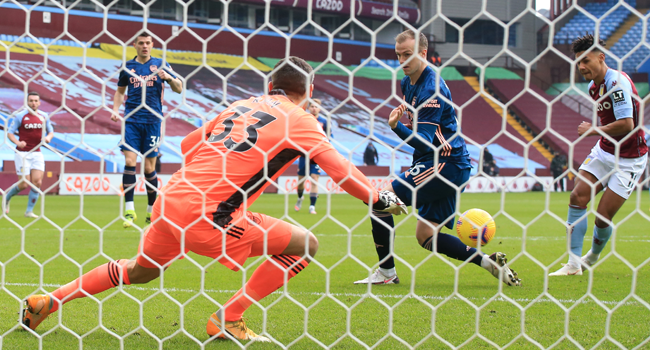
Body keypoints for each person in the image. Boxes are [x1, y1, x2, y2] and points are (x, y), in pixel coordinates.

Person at [22, 56, 406, 340]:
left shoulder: (239, 106)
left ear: (271, 84)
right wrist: (378, 198)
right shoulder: (300, 118)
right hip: (212, 216)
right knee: (305, 246)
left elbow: (189, 144)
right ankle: (230, 316)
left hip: (170, 202)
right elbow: (341, 171)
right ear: (306, 91)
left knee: (141, 270)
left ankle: (48, 301)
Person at [353, 30, 520, 286]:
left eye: (408, 55)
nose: (402, 61)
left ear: (423, 53)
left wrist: (396, 127)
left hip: (445, 163)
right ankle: (488, 263)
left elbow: (424, 141)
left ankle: (386, 273)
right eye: (398, 56)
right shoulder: (407, 82)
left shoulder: (431, 88)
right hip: (449, 164)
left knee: (379, 201)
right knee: (426, 236)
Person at [550, 34, 647, 276]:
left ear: (601, 58)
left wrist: (593, 129)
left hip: (629, 159)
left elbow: (628, 124)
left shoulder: (617, 84)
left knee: (602, 218)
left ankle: (591, 256)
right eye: (578, 62)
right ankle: (573, 264)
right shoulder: (594, 87)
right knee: (577, 196)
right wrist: (600, 133)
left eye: (586, 60)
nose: (581, 66)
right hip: (604, 151)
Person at [112, 31, 183, 228]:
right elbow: (119, 92)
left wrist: (168, 77)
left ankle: (151, 209)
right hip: (132, 121)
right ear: (134, 45)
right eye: (141, 43)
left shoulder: (161, 64)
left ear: (152, 45)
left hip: (153, 122)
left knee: (149, 168)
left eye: (148, 43)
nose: (144, 46)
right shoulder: (128, 67)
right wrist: (115, 109)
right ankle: (129, 209)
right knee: (129, 161)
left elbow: (179, 88)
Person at [3, 92, 54, 218]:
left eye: (36, 101)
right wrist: (17, 142)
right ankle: (7, 197)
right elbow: (10, 133)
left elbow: (51, 131)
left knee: (37, 182)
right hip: (22, 153)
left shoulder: (44, 116)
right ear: (27, 102)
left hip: (37, 153)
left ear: (39, 102)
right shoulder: (20, 116)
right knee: (24, 183)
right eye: (31, 100)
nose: (33, 103)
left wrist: (48, 138)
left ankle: (29, 211)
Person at [294, 98, 327, 214]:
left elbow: (328, 137)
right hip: (304, 154)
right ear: (308, 108)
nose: (314, 108)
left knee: (314, 179)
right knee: (301, 181)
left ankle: (312, 206)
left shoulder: (324, 121)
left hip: (317, 154)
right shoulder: (304, 120)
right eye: (312, 106)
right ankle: (299, 198)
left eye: (316, 106)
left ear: (319, 108)